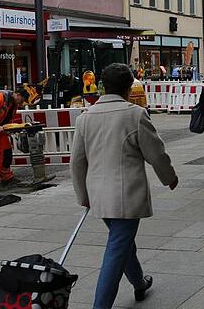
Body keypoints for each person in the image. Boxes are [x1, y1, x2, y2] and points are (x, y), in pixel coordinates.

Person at [70, 63, 178, 309]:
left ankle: (140, 283)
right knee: (117, 249)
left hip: (98, 196)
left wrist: (82, 195)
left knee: (123, 242)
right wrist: (169, 177)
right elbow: (156, 153)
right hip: (127, 195)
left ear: (102, 86)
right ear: (130, 87)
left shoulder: (85, 118)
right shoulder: (135, 114)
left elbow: (77, 162)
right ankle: (100, 306)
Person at [0, 88, 30, 184]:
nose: (21, 103)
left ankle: (6, 177)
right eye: (22, 100)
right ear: (17, 94)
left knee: (6, 151)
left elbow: (8, 118)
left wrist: (8, 128)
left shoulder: (13, 104)